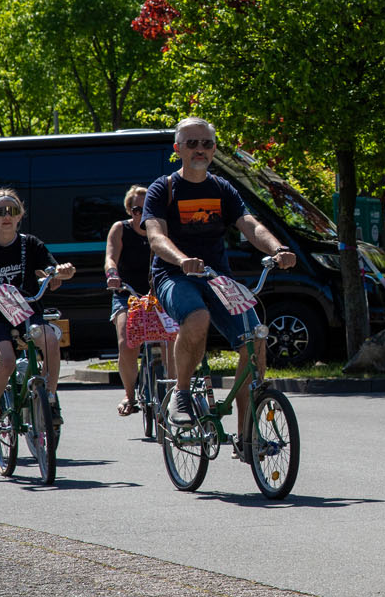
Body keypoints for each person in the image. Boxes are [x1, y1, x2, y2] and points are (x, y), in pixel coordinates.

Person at [141, 118, 296, 437]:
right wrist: (183, 260)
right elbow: (156, 237)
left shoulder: (222, 189)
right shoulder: (163, 188)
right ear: (178, 149)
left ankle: (246, 436)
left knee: (256, 339)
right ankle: (181, 395)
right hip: (174, 275)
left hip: (218, 278)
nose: (200, 149)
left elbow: (251, 225)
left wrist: (278, 248)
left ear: (213, 149)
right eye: (192, 144)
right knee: (197, 319)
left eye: (207, 144)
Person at [0, 188, 75, 446]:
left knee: (50, 340)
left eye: (12, 210)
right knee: (7, 361)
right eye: (0, 211)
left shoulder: (30, 244)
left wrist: (61, 272)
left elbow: (50, 269)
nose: (6, 216)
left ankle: (50, 400)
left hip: (26, 311)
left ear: (20, 215)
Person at [105, 185, 153, 417]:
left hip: (158, 295)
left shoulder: (161, 229)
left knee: (174, 339)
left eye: (147, 209)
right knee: (127, 343)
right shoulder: (120, 229)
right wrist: (112, 275)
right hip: (128, 294)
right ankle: (130, 395)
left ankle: (176, 392)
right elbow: (110, 257)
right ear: (128, 211)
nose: (142, 214)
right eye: (136, 209)